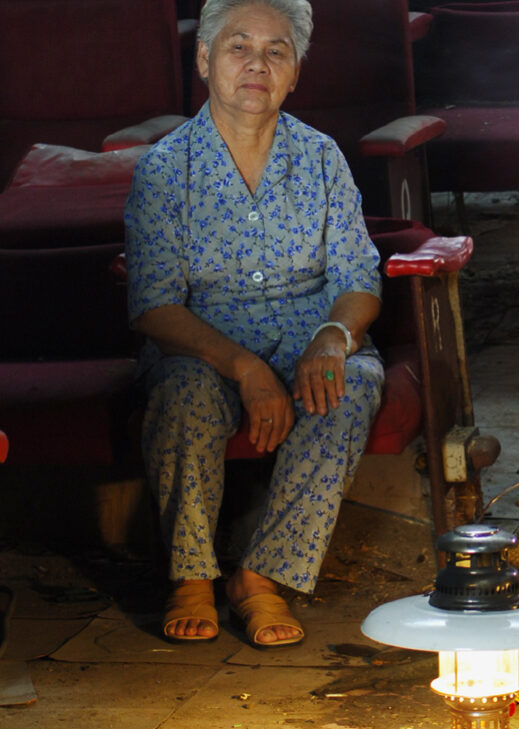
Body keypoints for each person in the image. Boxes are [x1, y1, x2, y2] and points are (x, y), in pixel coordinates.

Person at [124, 0, 384, 646]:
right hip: (202, 348)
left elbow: (358, 277)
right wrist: (243, 367)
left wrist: (333, 337)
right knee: (183, 393)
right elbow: (154, 304)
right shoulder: (164, 169)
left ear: (295, 72)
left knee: (348, 385)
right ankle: (191, 577)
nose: (257, 65)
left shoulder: (321, 157)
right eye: (238, 46)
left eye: (276, 51)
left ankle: (260, 577)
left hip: (308, 336)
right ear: (205, 58)